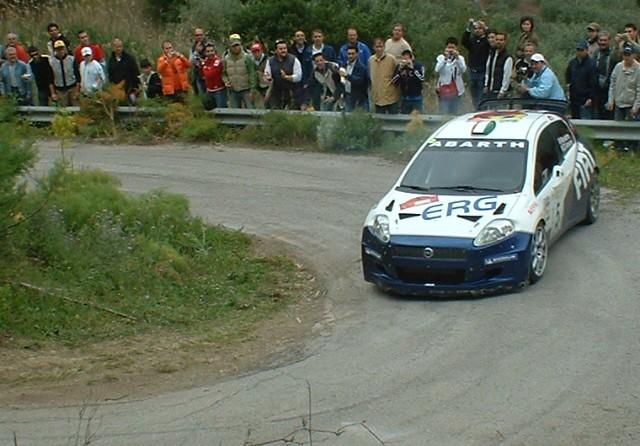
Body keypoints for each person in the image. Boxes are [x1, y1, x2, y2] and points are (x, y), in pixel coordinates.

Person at [263, 39, 301, 109]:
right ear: (276, 50)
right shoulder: (270, 61)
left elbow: (298, 77)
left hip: (291, 92)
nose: (283, 50)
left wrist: (286, 77)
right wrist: (268, 78)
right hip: (276, 93)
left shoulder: (294, 60)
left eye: (285, 48)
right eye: (280, 49)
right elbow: (266, 74)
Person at [462, 18, 491, 109]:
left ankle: (481, 109)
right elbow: (464, 41)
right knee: (474, 94)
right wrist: (469, 27)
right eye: (475, 29)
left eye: (479, 28)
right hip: (473, 71)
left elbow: (491, 36)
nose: (477, 30)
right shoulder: (472, 41)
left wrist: (486, 27)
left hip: (482, 71)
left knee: (481, 94)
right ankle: (476, 109)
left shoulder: (486, 41)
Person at [607, 45, 640, 122]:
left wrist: (636, 107)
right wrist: (611, 100)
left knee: (630, 131)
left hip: (631, 106)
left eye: (628, 55)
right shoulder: (618, 67)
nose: (626, 57)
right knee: (617, 129)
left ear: (633, 55)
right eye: (625, 55)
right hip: (619, 105)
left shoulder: (638, 69)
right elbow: (612, 84)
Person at [223, 33, 256, 109]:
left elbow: (252, 73)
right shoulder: (225, 58)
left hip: (246, 90)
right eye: (234, 46)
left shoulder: (247, 57)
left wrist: (252, 89)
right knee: (235, 113)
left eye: (237, 45)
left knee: (251, 110)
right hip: (233, 91)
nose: (236, 47)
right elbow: (223, 73)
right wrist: (226, 81)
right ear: (230, 46)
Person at [565, 40, 597, 119]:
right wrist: (568, 89)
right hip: (574, 99)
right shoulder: (572, 63)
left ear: (586, 50)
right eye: (578, 50)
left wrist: (591, 98)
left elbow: (594, 83)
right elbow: (568, 76)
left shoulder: (591, 64)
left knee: (585, 121)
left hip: (585, 99)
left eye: (581, 50)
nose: (579, 52)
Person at [435, 37, 466, 114]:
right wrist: (445, 58)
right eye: (449, 47)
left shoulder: (460, 58)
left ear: (456, 48)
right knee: (444, 112)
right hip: (444, 90)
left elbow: (463, 69)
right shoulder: (441, 58)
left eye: (453, 48)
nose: (451, 50)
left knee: (454, 112)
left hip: (456, 90)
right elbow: (437, 69)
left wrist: (457, 58)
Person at [369, 37, 400, 114]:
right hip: (377, 98)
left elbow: (398, 74)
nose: (379, 49)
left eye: (381, 47)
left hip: (391, 97)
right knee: (380, 122)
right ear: (373, 48)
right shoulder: (370, 60)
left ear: (384, 47)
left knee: (394, 121)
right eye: (377, 47)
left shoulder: (392, 59)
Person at [593, 31, 619, 119]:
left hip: (610, 90)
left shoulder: (613, 54)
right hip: (597, 90)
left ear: (609, 41)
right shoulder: (596, 54)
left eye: (605, 40)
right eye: (601, 40)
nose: (603, 42)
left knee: (609, 115)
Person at [107, 38, 140, 103]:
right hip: (116, 90)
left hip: (130, 89)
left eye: (120, 46)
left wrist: (135, 88)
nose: (119, 49)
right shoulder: (111, 60)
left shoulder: (129, 58)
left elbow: (136, 73)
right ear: (113, 47)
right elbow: (110, 74)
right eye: (117, 47)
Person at [392, 49, 425, 114]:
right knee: (404, 119)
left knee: (417, 118)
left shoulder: (418, 66)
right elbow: (393, 81)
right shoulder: (400, 67)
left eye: (407, 59)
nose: (406, 61)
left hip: (416, 97)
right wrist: (399, 71)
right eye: (404, 59)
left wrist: (413, 69)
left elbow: (422, 79)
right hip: (405, 98)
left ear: (411, 58)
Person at [49, 39, 79, 106]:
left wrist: (77, 90)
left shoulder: (71, 59)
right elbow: (50, 79)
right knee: (63, 110)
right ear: (55, 50)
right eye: (58, 49)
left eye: (62, 48)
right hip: (60, 90)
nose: (60, 51)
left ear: (64, 48)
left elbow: (78, 76)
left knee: (75, 107)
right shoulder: (51, 62)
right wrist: (53, 93)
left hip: (72, 87)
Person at [339, 44, 368, 111]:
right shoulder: (344, 65)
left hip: (358, 98)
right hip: (346, 95)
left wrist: (346, 75)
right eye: (349, 54)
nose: (350, 56)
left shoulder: (362, 67)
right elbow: (341, 81)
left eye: (353, 54)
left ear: (357, 54)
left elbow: (359, 81)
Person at [289, 30, 313, 109]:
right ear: (294, 38)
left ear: (305, 38)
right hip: (294, 80)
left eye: (302, 35)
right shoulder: (290, 50)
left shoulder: (310, 49)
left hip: (308, 79)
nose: (300, 38)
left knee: (307, 103)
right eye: (298, 36)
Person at [484, 32, 512, 100]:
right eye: (497, 39)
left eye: (501, 40)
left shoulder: (507, 57)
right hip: (490, 90)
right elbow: (488, 71)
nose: (499, 42)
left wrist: (502, 91)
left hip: (499, 92)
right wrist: (486, 85)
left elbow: (507, 76)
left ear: (505, 42)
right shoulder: (491, 55)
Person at [200, 42, 227, 110]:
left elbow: (210, 74)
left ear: (215, 51)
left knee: (221, 111)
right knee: (210, 110)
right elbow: (202, 73)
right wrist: (205, 68)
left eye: (212, 51)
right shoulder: (205, 62)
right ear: (205, 53)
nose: (210, 53)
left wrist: (205, 68)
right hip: (209, 90)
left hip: (219, 90)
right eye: (208, 51)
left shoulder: (218, 61)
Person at [250, 41, 270, 107]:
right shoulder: (250, 61)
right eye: (254, 52)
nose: (256, 53)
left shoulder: (268, 60)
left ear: (262, 51)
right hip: (256, 88)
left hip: (267, 87)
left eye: (258, 51)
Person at [189, 27, 207, 95]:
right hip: (197, 72)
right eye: (197, 35)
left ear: (203, 35)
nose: (199, 37)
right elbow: (190, 62)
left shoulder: (209, 45)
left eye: (200, 35)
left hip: (208, 73)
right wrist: (196, 51)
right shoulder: (193, 47)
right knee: (199, 92)